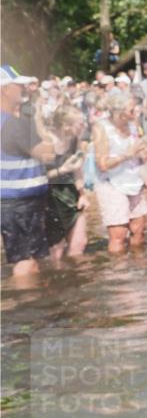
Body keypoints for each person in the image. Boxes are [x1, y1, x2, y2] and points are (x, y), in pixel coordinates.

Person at [1, 73, 55, 277]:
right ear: (5, 90)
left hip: (12, 202)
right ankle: (26, 305)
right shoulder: (14, 124)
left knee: (26, 259)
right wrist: (38, 119)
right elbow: (48, 154)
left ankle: (27, 303)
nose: (24, 89)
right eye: (18, 85)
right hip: (21, 203)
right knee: (26, 263)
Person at [93, 93, 147, 253]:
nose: (136, 111)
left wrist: (143, 155)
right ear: (119, 112)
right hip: (111, 184)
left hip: (134, 181)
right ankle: (119, 274)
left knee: (138, 230)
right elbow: (102, 164)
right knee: (119, 235)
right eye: (132, 109)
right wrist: (128, 154)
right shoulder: (101, 127)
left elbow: (141, 154)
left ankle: (139, 271)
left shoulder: (133, 124)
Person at [44, 104, 89, 259]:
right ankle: (57, 281)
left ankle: (76, 280)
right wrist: (61, 170)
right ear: (66, 125)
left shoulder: (74, 140)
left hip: (71, 194)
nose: (84, 126)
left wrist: (82, 194)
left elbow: (77, 169)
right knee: (56, 250)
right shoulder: (46, 141)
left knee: (79, 244)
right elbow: (37, 177)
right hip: (49, 198)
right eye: (80, 123)